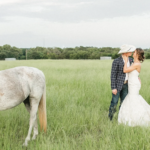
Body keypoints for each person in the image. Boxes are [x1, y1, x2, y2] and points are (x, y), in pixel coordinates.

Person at [118, 48, 150, 126]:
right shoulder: (134, 62)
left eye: (134, 52)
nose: (133, 53)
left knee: (133, 98)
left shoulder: (137, 63)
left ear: (137, 54)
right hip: (132, 82)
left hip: (134, 84)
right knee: (132, 97)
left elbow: (125, 70)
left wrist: (125, 60)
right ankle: (131, 116)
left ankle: (136, 117)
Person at [108, 44, 136, 120]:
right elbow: (113, 75)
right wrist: (113, 87)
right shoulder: (116, 61)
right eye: (130, 51)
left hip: (127, 85)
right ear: (125, 52)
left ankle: (121, 118)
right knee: (114, 102)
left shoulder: (131, 60)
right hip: (117, 86)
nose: (131, 52)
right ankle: (110, 118)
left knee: (124, 103)